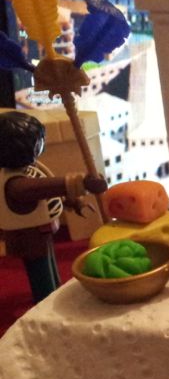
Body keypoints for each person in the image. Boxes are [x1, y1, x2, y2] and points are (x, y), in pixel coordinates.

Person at [0, 111, 107, 302]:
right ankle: (45, 298)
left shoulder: (29, 170)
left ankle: (53, 289)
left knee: (48, 262)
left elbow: (48, 192)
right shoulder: (16, 184)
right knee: (40, 269)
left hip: (41, 231)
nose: (42, 145)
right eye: (38, 142)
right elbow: (45, 188)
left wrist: (73, 202)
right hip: (29, 236)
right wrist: (82, 183)